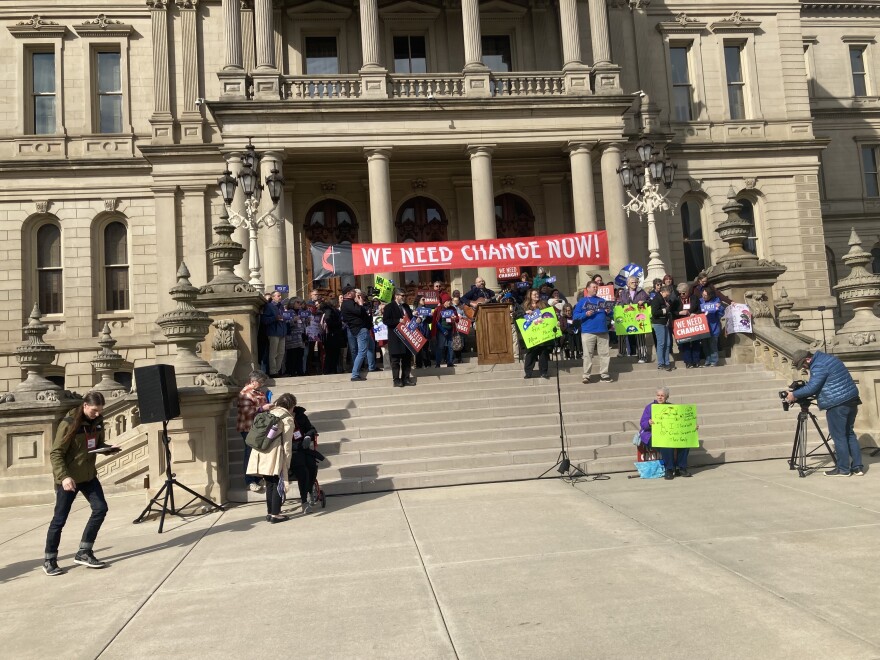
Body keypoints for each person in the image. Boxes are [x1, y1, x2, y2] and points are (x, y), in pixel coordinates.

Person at [44, 392, 120, 575]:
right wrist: (64, 477)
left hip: (88, 476)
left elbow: (94, 445)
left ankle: (84, 551)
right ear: (85, 406)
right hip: (68, 479)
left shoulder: (97, 422)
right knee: (59, 520)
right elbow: (56, 453)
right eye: (94, 410)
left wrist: (106, 449)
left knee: (100, 509)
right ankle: (49, 559)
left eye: (100, 411)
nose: (97, 414)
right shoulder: (69, 423)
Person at [788, 350, 864, 477]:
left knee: (839, 437)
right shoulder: (827, 359)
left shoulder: (818, 365)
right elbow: (825, 381)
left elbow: (813, 388)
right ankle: (857, 467)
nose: (805, 369)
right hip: (851, 400)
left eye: (803, 366)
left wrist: (794, 394)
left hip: (838, 404)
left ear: (807, 359)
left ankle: (843, 469)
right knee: (849, 434)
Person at [245, 393, 295, 523]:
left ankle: (270, 512)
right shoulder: (287, 418)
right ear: (291, 406)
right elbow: (287, 443)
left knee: (269, 483)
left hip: (260, 452)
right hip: (275, 454)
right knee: (278, 483)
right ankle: (276, 514)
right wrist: (287, 462)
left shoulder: (269, 412)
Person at [283, 394, 324, 514]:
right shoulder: (281, 418)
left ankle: (310, 488)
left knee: (312, 465)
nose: (291, 409)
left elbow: (311, 429)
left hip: (304, 448)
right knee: (303, 470)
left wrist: (307, 436)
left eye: (292, 406)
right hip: (291, 451)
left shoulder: (301, 416)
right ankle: (304, 500)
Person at [640, 386, 691, 480]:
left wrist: (691, 426)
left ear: (666, 397)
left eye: (662, 396)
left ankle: (682, 468)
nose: (660, 397)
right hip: (652, 435)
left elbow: (680, 422)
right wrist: (648, 422)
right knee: (666, 445)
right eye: (658, 395)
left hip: (670, 434)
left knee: (684, 443)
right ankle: (669, 469)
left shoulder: (672, 407)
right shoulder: (650, 407)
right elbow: (642, 424)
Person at [237, 370, 272, 492]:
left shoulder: (258, 391)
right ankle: (250, 481)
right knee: (250, 453)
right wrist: (263, 408)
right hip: (248, 427)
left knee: (257, 453)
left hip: (259, 427)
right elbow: (248, 411)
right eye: (261, 381)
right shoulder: (245, 392)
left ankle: (257, 478)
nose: (262, 384)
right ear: (253, 381)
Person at [573, 280, 612, 383]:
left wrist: (609, 312)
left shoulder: (602, 301)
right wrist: (585, 314)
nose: (596, 289)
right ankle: (586, 375)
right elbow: (575, 316)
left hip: (602, 331)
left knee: (604, 354)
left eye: (596, 287)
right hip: (588, 331)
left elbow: (611, 315)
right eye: (593, 287)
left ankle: (604, 374)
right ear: (588, 289)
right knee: (587, 354)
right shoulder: (582, 301)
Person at [516, 288, 558, 379]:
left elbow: (550, 314)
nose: (537, 295)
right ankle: (528, 372)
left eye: (537, 294)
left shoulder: (544, 304)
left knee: (543, 352)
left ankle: (544, 372)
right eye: (534, 294)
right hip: (532, 335)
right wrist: (525, 313)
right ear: (529, 295)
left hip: (543, 333)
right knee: (531, 353)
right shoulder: (523, 305)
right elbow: (517, 316)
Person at [341, 285, 378, 381]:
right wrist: (360, 304)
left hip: (363, 328)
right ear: (349, 294)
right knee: (362, 351)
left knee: (371, 346)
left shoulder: (351, 303)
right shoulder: (347, 304)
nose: (356, 294)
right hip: (360, 329)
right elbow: (358, 311)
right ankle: (355, 374)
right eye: (353, 292)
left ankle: (372, 367)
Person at [383, 288, 416, 387]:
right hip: (395, 337)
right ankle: (396, 380)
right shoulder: (389, 307)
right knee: (395, 360)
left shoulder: (405, 306)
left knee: (406, 359)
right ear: (396, 296)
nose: (404, 297)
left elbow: (409, 319)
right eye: (402, 295)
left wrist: (416, 319)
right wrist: (398, 320)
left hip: (407, 337)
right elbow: (386, 321)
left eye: (404, 295)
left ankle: (405, 378)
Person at [617, 275, 650, 362]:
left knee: (640, 336)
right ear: (628, 284)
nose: (635, 284)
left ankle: (642, 356)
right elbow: (619, 302)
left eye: (636, 282)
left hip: (638, 317)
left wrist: (644, 301)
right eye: (632, 282)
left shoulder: (641, 292)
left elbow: (649, 301)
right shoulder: (624, 293)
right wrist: (623, 305)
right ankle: (622, 352)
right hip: (627, 316)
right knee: (622, 332)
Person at [261, 290, 287, 378]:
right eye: (278, 296)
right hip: (273, 332)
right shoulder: (269, 306)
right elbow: (264, 320)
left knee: (281, 353)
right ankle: (273, 371)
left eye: (280, 296)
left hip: (282, 332)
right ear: (273, 297)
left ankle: (277, 370)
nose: (280, 297)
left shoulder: (282, 307)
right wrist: (275, 318)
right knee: (273, 353)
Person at [699, 285, 725, 367]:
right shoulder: (700, 301)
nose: (704, 297)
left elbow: (721, 313)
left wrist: (719, 308)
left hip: (713, 326)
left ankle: (714, 360)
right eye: (703, 295)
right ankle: (708, 360)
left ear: (710, 295)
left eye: (705, 295)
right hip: (703, 326)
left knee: (713, 344)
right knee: (705, 345)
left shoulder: (716, 301)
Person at [651, 285, 675, 371]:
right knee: (661, 343)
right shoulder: (656, 299)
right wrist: (665, 310)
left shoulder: (665, 299)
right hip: (658, 323)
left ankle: (667, 362)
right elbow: (654, 312)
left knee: (668, 343)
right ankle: (661, 363)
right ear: (663, 292)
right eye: (668, 294)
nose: (668, 296)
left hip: (665, 323)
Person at [320, 297, 345, 374]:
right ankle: (328, 370)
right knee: (330, 354)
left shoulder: (335, 311)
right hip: (331, 335)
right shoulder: (329, 311)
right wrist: (340, 324)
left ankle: (333, 369)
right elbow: (329, 322)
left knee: (335, 354)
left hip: (335, 335)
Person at [431, 296, 459, 368]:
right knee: (440, 347)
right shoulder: (439, 309)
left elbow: (457, 319)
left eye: (450, 301)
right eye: (448, 301)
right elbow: (435, 321)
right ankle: (438, 363)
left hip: (450, 330)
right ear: (444, 302)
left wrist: (455, 318)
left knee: (451, 347)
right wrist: (442, 330)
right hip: (441, 331)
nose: (449, 302)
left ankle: (449, 362)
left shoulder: (452, 309)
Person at [284, 298, 305, 377]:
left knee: (300, 355)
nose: (299, 304)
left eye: (300, 303)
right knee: (292, 356)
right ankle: (291, 371)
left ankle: (300, 371)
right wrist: (293, 320)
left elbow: (302, 325)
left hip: (300, 338)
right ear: (292, 303)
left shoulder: (299, 313)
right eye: (298, 303)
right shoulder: (288, 312)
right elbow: (285, 323)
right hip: (292, 338)